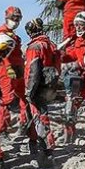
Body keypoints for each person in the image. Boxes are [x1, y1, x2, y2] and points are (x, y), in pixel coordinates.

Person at [24, 18, 62, 155]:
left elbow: (32, 70)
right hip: (49, 84)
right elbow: (57, 65)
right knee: (43, 115)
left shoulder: (34, 47)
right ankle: (42, 145)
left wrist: (29, 91)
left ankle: (46, 148)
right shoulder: (50, 44)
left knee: (39, 117)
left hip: (38, 86)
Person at [0, 6, 28, 135]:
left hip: (18, 69)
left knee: (25, 97)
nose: (16, 21)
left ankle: (25, 124)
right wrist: (8, 67)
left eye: (18, 18)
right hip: (7, 71)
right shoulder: (2, 32)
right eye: (13, 18)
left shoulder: (12, 34)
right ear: (7, 17)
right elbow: (1, 53)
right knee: (7, 100)